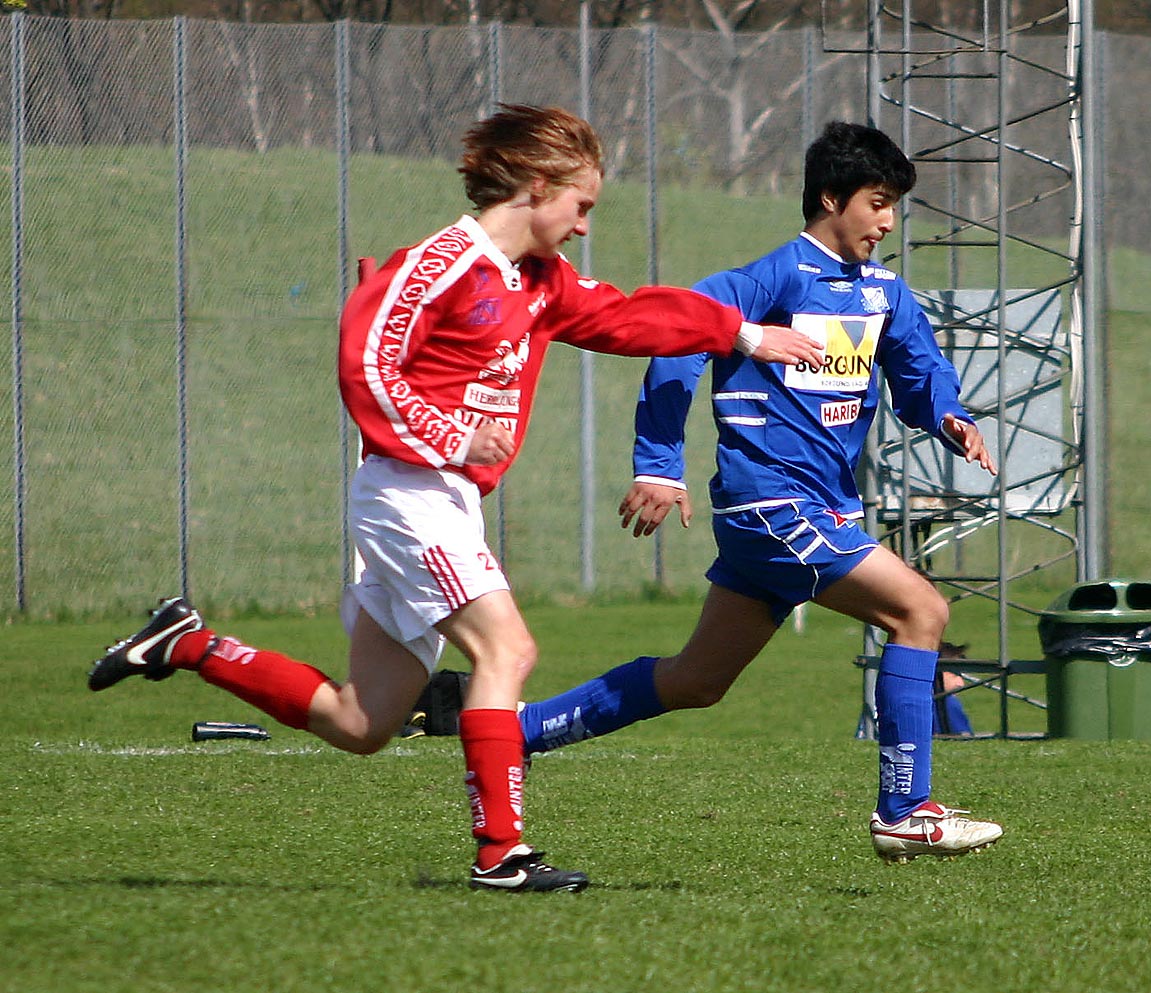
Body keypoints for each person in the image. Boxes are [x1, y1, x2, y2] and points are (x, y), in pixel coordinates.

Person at [86, 104, 822, 894]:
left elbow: (624, 313)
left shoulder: (539, 281)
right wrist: (449, 436)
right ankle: (500, 853)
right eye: (581, 206)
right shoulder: (440, 262)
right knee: (508, 651)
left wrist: (739, 334)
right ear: (538, 187)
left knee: (361, 721)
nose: (582, 228)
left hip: (441, 500)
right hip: (410, 493)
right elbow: (366, 363)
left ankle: (186, 643)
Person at [517, 121, 1005, 864]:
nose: (888, 221)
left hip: (816, 509)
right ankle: (905, 809)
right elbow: (677, 341)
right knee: (921, 608)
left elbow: (919, 369)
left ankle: (515, 733)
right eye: (878, 202)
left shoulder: (883, 294)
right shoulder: (766, 281)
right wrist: (658, 463)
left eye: (895, 205)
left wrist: (950, 416)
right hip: (771, 505)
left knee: (696, 680)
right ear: (831, 198)